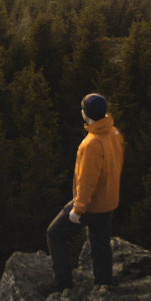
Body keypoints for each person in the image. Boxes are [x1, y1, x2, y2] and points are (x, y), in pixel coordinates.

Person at [46, 93, 124, 290]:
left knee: (55, 234)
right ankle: (104, 285)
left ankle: (63, 285)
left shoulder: (91, 144)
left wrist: (78, 209)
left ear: (85, 114)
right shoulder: (114, 133)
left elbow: (87, 180)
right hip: (109, 200)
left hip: (91, 204)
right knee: (100, 243)